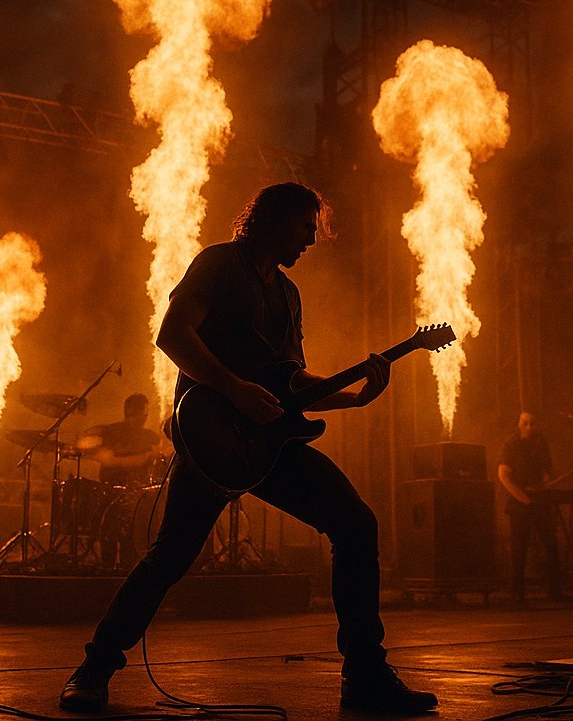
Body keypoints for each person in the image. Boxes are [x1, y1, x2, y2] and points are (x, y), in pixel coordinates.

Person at [59, 182, 438, 715]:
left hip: (270, 444)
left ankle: (365, 675)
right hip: (212, 435)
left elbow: (290, 382)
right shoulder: (218, 264)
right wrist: (234, 389)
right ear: (272, 220)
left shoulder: (287, 294)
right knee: (171, 556)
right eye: (305, 227)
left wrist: (352, 397)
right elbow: (172, 335)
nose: (310, 239)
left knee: (355, 524)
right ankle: (94, 669)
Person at [497, 411, 563, 604]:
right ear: (519, 424)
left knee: (551, 545)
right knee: (519, 549)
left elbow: (547, 470)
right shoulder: (511, 444)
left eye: (532, 423)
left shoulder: (541, 443)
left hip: (540, 499)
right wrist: (521, 497)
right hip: (520, 502)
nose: (529, 427)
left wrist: (546, 480)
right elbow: (503, 474)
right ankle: (518, 593)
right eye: (526, 423)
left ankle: (555, 591)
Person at [78, 392, 168, 488]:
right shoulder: (112, 431)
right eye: (140, 412)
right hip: (110, 489)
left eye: (144, 413)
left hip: (139, 491)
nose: (143, 417)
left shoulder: (151, 437)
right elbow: (82, 441)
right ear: (129, 411)